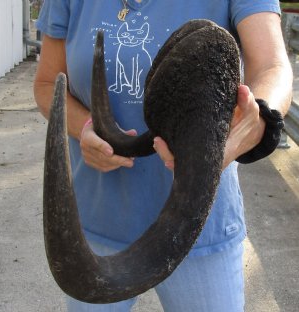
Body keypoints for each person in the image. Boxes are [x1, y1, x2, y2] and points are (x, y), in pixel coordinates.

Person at [34, 1, 292, 311]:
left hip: (201, 228)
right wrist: (86, 126)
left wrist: (257, 116)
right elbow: (48, 83)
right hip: (99, 221)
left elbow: (273, 67)